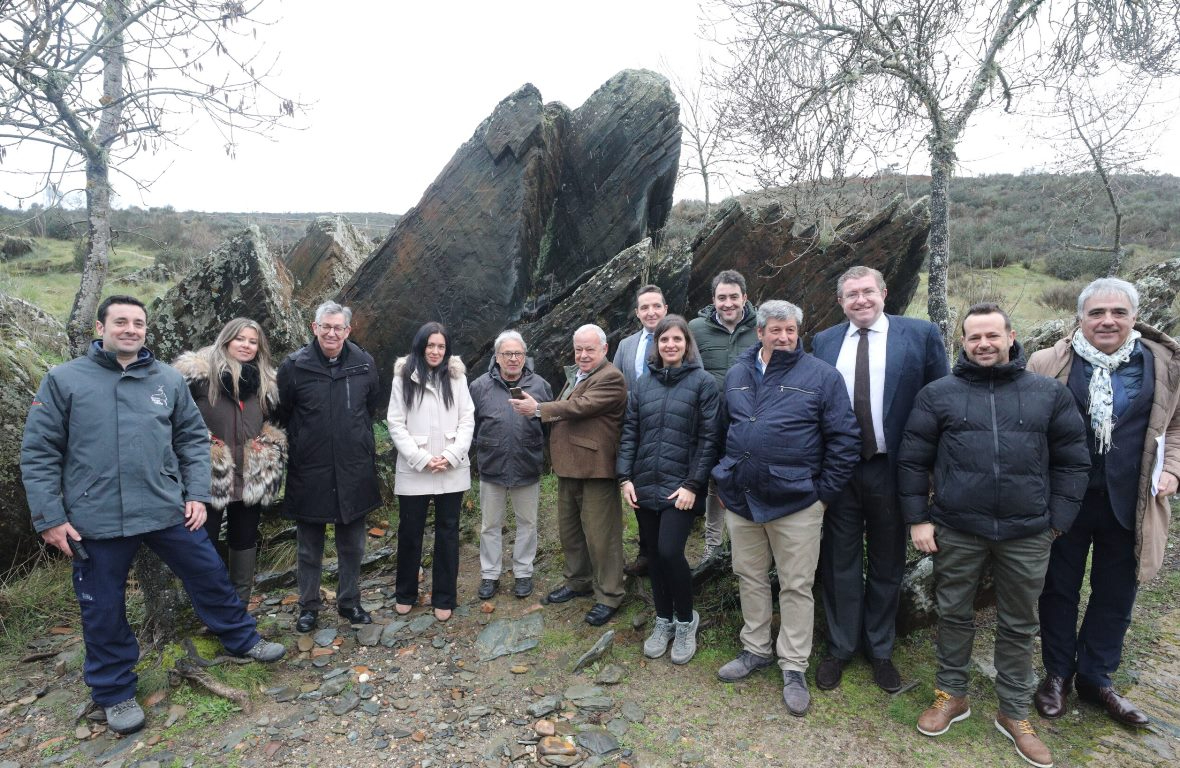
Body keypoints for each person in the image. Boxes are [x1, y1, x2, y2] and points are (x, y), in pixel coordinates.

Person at [21, 296, 285, 736]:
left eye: (138, 323)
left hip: (165, 508)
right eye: (120, 321)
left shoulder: (165, 379)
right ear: (101, 327)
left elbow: (190, 441)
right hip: (95, 519)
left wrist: (198, 495)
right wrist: (49, 518)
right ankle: (113, 691)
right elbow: (39, 452)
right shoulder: (64, 380)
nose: (130, 329)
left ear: (146, 330)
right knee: (102, 608)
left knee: (208, 572)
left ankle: (241, 638)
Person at [898, 303, 1089, 768]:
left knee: (1020, 623)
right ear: (961, 343)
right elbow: (912, 460)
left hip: (1028, 532)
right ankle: (952, 695)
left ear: (1011, 337)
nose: (983, 344)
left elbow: (1073, 460)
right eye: (973, 338)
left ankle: (1014, 712)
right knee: (954, 613)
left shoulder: (1047, 393)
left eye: (991, 336)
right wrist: (918, 519)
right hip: (958, 528)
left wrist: (1056, 522)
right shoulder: (938, 394)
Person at [1030, 278, 1180, 728]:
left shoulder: (1165, 365)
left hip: (1131, 499)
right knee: (1058, 587)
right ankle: (1057, 673)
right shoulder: (1046, 362)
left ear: (1135, 317)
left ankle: (1096, 679)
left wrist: (1172, 468)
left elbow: (1176, 429)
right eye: (1097, 313)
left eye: (1118, 312)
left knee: (1117, 591)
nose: (1107, 321)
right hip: (1064, 499)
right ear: (1080, 318)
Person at [713, 300, 859, 717]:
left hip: (797, 502)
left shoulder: (822, 376)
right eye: (775, 330)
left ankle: (793, 665)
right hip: (741, 499)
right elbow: (724, 429)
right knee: (749, 576)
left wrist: (822, 494)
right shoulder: (738, 373)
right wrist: (723, 474)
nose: (783, 337)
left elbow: (845, 439)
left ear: (799, 333)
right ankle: (754, 648)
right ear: (759, 332)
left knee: (796, 585)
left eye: (790, 331)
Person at [810, 265, 949, 692]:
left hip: (894, 469)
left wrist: (932, 473)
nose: (860, 301)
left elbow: (940, 402)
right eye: (851, 295)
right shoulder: (824, 341)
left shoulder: (920, 335)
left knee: (888, 562)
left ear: (884, 292)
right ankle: (840, 646)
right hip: (841, 469)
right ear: (841, 301)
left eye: (867, 292)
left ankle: (881, 650)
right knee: (840, 563)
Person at [617, 315, 720, 664]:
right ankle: (664, 620)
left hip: (681, 489)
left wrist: (694, 484)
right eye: (664, 340)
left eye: (677, 339)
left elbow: (709, 439)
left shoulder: (703, 383)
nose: (671, 345)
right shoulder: (643, 384)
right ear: (656, 345)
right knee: (654, 557)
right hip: (644, 484)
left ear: (687, 344)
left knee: (670, 551)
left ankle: (686, 619)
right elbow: (630, 433)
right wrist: (625, 478)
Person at [275, 301, 383, 633]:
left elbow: (371, 408)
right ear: (314, 328)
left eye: (339, 327)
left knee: (352, 544)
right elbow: (282, 414)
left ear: (348, 330)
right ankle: (308, 607)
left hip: (354, 470)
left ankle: (349, 602)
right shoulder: (294, 367)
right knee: (309, 547)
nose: (332, 333)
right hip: (310, 471)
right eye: (326, 326)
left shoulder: (364, 364)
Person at [510, 324, 627, 626]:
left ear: (604, 349)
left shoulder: (611, 377)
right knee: (571, 531)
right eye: (578, 349)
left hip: (596, 469)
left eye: (590, 349)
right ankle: (578, 581)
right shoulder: (578, 374)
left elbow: (581, 406)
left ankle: (610, 595)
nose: (583, 355)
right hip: (568, 466)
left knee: (602, 537)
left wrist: (539, 409)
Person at [173, 318, 287, 605]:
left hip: (251, 473)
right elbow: (174, 420)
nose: (246, 346)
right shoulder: (197, 376)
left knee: (244, 539)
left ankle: (239, 605)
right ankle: (212, 605)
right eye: (240, 339)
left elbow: (277, 421)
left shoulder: (266, 382)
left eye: (253, 342)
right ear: (226, 340)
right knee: (204, 543)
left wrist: (268, 443)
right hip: (207, 474)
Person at [387, 322, 474, 622]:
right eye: (431, 345)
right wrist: (422, 458)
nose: (436, 351)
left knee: (448, 533)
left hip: (451, 469)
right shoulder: (404, 377)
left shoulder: (457, 377)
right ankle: (405, 593)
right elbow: (396, 423)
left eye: (441, 346)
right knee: (410, 532)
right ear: (420, 346)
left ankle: (444, 596)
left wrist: (450, 456)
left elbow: (467, 419)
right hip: (416, 469)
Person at [470, 330, 553, 600]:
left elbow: (549, 424)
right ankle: (490, 575)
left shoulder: (540, 385)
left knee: (527, 523)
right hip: (492, 466)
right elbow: (470, 425)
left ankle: (523, 573)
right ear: (497, 357)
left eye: (518, 353)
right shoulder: (480, 386)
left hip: (526, 465)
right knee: (489, 525)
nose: (513, 358)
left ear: (525, 356)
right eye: (507, 354)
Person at [688, 270, 759, 566]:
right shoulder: (695, 328)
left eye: (733, 297)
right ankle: (713, 547)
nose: (728, 303)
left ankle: (744, 547)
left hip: (751, 422)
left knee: (747, 481)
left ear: (744, 297)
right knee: (715, 482)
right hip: (710, 421)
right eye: (721, 298)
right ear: (713, 300)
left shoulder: (762, 326)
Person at [613, 284, 669, 577]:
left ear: (665, 309)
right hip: (636, 430)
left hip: (670, 430)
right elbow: (617, 387)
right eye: (645, 307)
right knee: (639, 493)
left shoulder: (677, 340)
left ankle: (669, 552)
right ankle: (647, 552)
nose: (651, 312)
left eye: (656, 306)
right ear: (637, 313)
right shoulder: (626, 345)